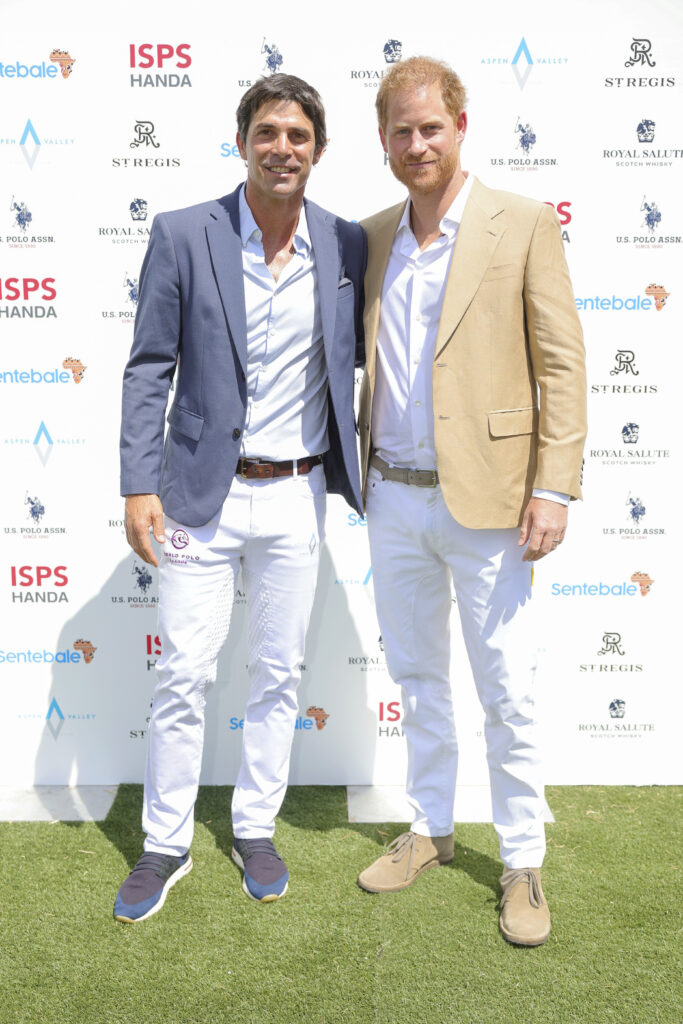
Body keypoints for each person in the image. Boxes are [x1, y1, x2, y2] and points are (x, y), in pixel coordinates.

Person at [115, 74, 365, 922]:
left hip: (297, 495)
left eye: (297, 135)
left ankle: (255, 827)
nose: (282, 148)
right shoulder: (184, 233)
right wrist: (138, 481)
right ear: (242, 143)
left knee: (277, 674)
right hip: (198, 497)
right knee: (183, 674)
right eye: (266, 133)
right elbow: (150, 364)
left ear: (318, 150)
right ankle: (165, 843)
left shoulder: (341, 245)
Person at [356, 57, 586, 947]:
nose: (417, 144)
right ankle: (431, 829)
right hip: (394, 500)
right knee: (417, 680)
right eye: (401, 132)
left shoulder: (521, 223)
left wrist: (553, 485)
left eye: (430, 128)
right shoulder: (373, 236)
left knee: (507, 689)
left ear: (460, 126)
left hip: (490, 504)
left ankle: (522, 858)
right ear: (382, 142)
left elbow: (561, 362)